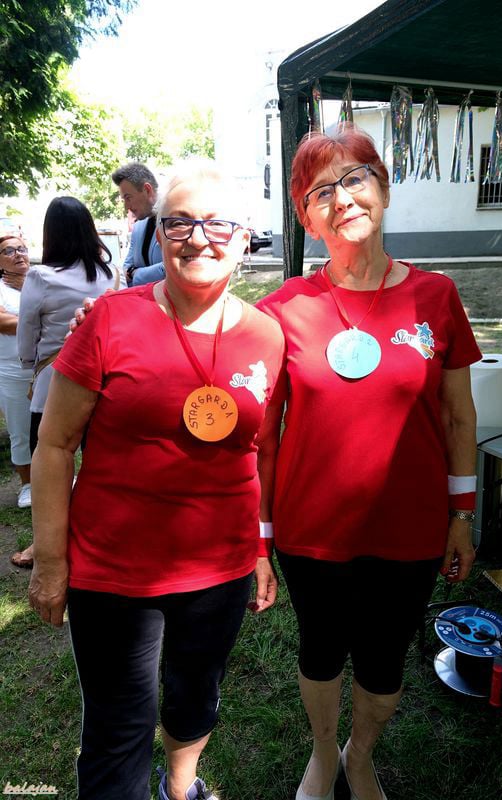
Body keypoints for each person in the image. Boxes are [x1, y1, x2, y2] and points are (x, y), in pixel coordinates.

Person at [28, 161, 285, 800]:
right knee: (118, 725)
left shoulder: (267, 336)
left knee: (196, 696)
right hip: (114, 571)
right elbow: (54, 446)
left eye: (217, 224)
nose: (199, 238)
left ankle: (182, 784)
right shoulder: (109, 320)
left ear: (244, 236)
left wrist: (259, 550)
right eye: (180, 223)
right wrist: (52, 562)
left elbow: (259, 453)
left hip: (219, 568)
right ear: (158, 231)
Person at [256, 127, 482, 800]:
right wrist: (260, 537)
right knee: (321, 652)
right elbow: (262, 439)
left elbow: (458, 417)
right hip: (311, 531)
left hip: (409, 530)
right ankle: (324, 752)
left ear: (383, 188)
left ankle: (361, 754)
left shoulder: (436, 296)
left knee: (384, 665)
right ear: (307, 218)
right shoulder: (282, 310)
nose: (343, 197)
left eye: (355, 178)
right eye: (321, 190)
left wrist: (462, 515)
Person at [15, 197, 123, 569]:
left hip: (53, 379)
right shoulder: (111, 274)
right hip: (102, 378)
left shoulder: (41, 276)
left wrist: (29, 365)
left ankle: (42, 544)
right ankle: (98, 535)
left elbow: (27, 329)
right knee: (100, 463)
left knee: (47, 463)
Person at [0, 235, 33, 517]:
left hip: (47, 367)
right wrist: (41, 320)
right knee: (20, 430)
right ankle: (27, 485)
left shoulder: (40, 280)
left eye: (21, 248)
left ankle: (58, 477)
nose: (18, 254)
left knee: (52, 427)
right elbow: (3, 322)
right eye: (8, 251)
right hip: (13, 370)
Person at [112, 161, 165, 286]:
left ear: (147, 190)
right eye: (124, 200)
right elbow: (126, 270)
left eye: (128, 198)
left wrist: (135, 273)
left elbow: (171, 267)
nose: (126, 206)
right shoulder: (138, 227)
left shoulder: (177, 220)